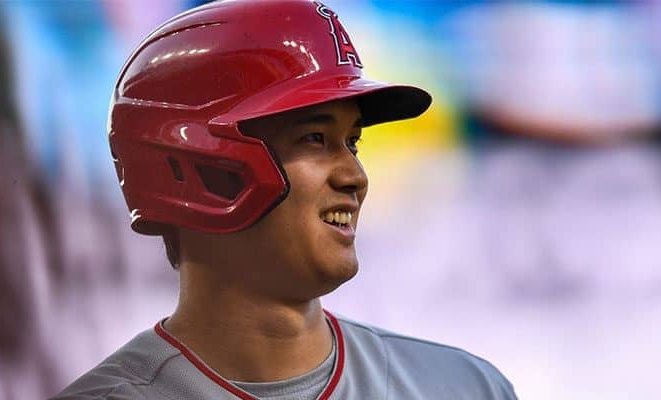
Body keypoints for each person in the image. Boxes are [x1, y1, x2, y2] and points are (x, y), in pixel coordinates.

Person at [52, 1, 517, 399]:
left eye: (352, 142)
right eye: (315, 138)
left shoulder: (463, 387)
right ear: (205, 166)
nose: (355, 177)